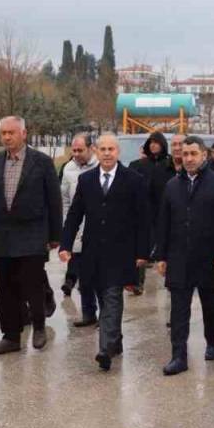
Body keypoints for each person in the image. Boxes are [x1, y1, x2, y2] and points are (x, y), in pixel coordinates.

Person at [60, 134, 150, 371]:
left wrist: (142, 252)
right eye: (103, 149)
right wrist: (65, 244)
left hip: (121, 251)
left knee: (112, 295)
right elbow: (75, 214)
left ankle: (105, 348)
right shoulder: (87, 180)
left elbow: (143, 219)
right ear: (96, 152)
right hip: (93, 250)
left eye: (111, 149)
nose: (107, 153)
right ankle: (116, 339)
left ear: (118, 152)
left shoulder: (133, 180)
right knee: (101, 292)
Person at [153, 137, 214, 376]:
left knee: (211, 305)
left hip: (209, 258)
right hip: (179, 258)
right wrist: (161, 256)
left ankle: (213, 340)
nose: (188, 158)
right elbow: (163, 223)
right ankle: (178, 356)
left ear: (204, 155)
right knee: (178, 309)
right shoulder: (172, 186)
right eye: (185, 153)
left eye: (193, 154)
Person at [0, 117, 62, 355]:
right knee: (5, 288)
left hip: (32, 233)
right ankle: (11, 336)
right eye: (3, 133)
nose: (7, 137)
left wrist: (55, 234)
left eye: (11, 133)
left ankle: (38, 326)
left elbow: (54, 201)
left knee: (33, 284)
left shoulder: (42, 162)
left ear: (23, 133)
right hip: (2, 235)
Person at [129, 132, 175, 296]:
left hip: (164, 211)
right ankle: (137, 282)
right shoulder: (139, 165)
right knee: (141, 247)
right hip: (144, 212)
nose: (154, 146)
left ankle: (172, 281)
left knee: (167, 248)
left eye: (157, 143)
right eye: (151, 143)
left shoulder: (170, 165)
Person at [59, 133, 97, 299]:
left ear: (91, 148)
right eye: (73, 150)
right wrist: (67, 223)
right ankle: (87, 312)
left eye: (80, 150)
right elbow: (65, 198)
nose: (76, 154)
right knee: (76, 255)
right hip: (76, 222)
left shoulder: (100, 167)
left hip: (96, 225)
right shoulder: (68, 168)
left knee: (93, 269)